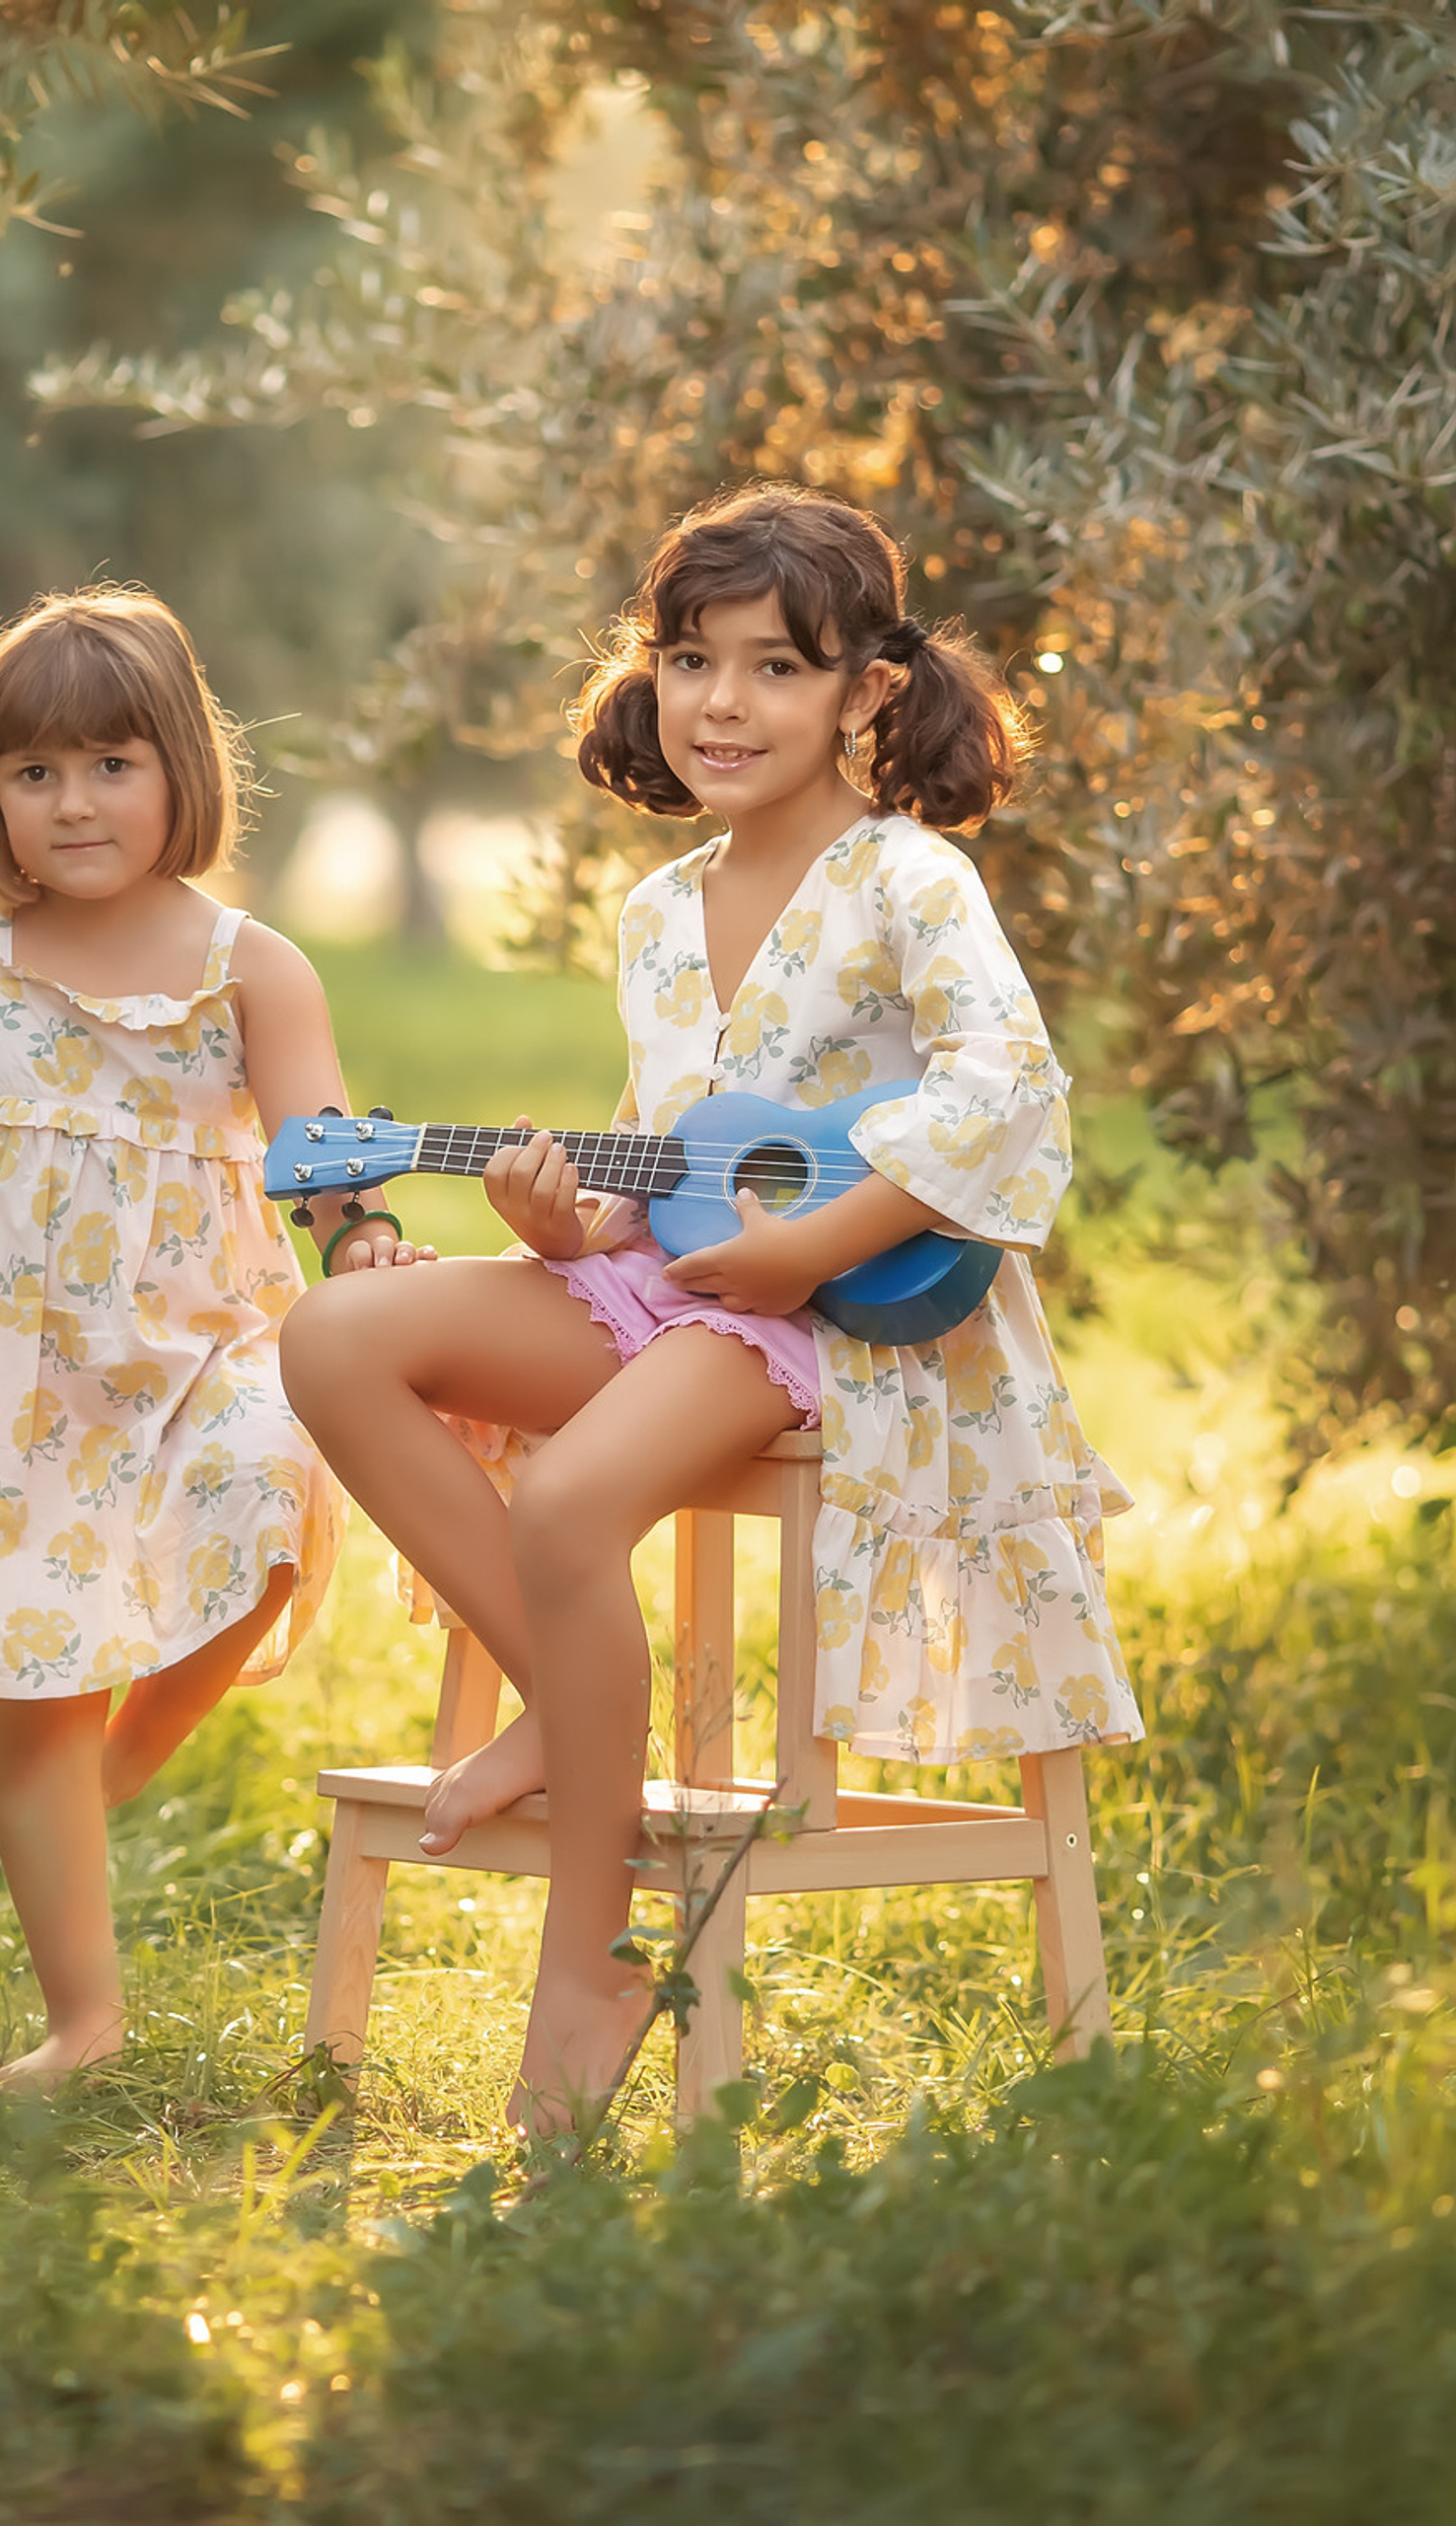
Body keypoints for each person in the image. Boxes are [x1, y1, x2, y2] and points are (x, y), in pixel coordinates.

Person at [280, 485, 1143, 2134]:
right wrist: (562, 1217)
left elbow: (1011, 1094)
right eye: (690, 660)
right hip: (686, 1292)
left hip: (859, 1321)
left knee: (581, 1497)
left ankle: (596, 1946)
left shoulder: (907, 881)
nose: (723, 704)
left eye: (773, 667)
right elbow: (668, 1171)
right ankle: (574, 1698)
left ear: (866, 694)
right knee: (333, 1338)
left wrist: (818, 1249)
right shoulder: (655, 913)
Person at [0, 585, 434, 2088]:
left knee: (272, 1492)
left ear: (182, 767)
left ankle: (91, 1807)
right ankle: (82, 2019)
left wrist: (362, 1244)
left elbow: (319, 1154)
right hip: (13, 1377)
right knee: (36, 1686)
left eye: (111, 764)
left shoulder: (253, 967)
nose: (73, 802)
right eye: (33, 774)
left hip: (207, 1344)